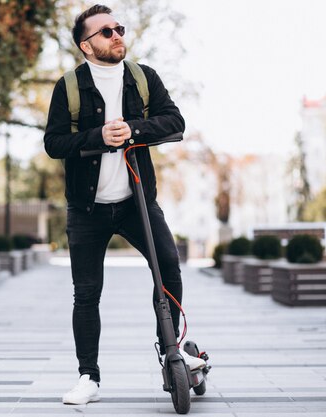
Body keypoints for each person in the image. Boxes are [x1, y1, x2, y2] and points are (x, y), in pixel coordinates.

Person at [43, 4, 205, 405]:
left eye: (119, 28)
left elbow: (175, 121)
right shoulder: (69, 87)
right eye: (106, 32)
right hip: (87, 208)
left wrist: (133, 130)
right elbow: (54, 143)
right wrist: (99, 136)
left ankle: (172, 352)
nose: (117, 35)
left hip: (137, 202)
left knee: (168, 269)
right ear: (86, 45)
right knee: (87, 293)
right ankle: (88, 377)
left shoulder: (142, 78)